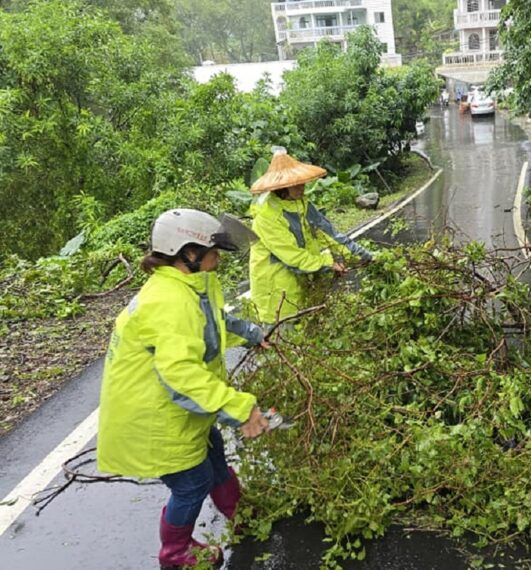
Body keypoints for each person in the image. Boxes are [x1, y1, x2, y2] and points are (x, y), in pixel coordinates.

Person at [97, 208, 271, 569]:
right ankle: (175, 552)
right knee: (192, 483)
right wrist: (240, 408)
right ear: (187, 253)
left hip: (180, 410)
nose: (218, 257)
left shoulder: (191, 285)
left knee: (214, 455)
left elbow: (214, 322)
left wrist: (254, 333)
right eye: (213, 250)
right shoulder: (169, 302)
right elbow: (182, 377)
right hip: (154, 417)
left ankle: (242, 514)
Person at [248, 147, 373, 322]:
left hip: (302, 282)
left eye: (301, 181)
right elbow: (293, 258)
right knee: (287, 340)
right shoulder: (267, 217)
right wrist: (328, 263)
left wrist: (362, 255)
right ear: (282, 187)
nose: (302, 186)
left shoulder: (302, 204)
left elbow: (329, 235)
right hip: (276, 293)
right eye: (295, 183)